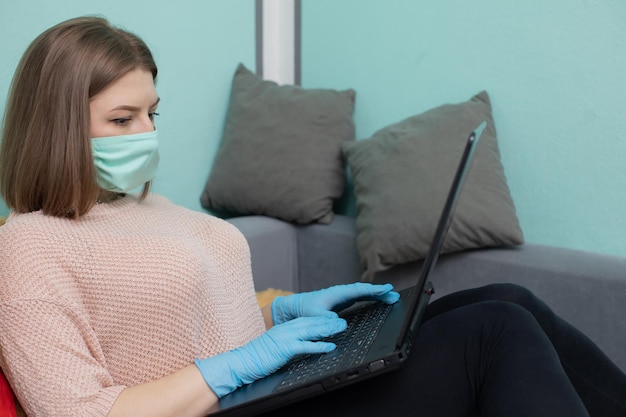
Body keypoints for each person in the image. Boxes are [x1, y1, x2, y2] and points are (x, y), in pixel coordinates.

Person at [0, 16, 624, 417]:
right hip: (230, 407)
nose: (146, 134)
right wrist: (237, 366)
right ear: (57, 125)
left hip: (271, 384)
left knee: (509, 296)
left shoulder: (147, 206)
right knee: (496, 333)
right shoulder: (28, 247)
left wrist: (281, 309)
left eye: (151, 114)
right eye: (121, 119)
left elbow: (179, 313)